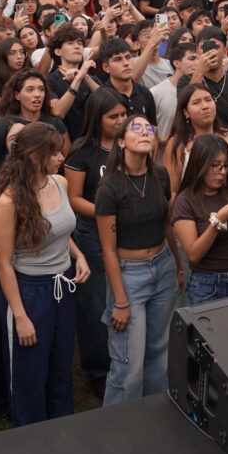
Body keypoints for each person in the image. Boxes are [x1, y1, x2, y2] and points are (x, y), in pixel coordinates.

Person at [0, 122, 89, 425]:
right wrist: (20, 316)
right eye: (55, 153)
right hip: (29, 292)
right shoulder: (9, 202)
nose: (61, 158)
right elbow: (3, 263)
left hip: (63, 286)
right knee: (29, 375)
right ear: (35, 156)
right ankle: (31, 439)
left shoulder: (59, 183)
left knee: (61, 366)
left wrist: (79, 255)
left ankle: (62, 428)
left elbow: (59, 230)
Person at [95, 114, 180, 405]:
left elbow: (166, 224)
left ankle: (154, 420)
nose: (145, 133)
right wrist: (120, 301)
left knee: (160, 353)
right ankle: (118, 433)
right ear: (121, 141)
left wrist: (179, 266)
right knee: (128, 364)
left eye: (150, 129)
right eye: (137, 129)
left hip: (164, 267)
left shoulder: (160, 175)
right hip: (129, 275)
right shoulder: (110, 188)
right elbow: (107, 249)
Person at [64, 88, 129, 400]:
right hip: (92, 233)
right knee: (95, 304)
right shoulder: (82, 152)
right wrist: (108, 213)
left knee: (125, 294)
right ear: (96, 118)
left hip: (128, 233)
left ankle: (125, 357)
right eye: (112, 116)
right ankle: (99, 369)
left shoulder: (129, 145)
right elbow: (74, 198)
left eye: (123, 115)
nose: (120, 121)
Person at [171, 134, 228, 305]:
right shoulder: (185, 200)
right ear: (200, 164)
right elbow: (193, 255)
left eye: (226, 165)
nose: (222, 172)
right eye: (215, 165)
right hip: (207, 286)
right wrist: (218, 221)